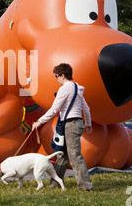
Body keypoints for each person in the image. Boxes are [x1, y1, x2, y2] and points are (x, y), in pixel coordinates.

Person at [31, 63, 94, 191]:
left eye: (56, 76)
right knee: (62, 154)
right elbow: (86, 108)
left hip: (70, 124)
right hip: (76, 123)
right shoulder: (77, 88)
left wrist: (39, 121)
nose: (56, 79)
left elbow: (55, 109)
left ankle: (86, 186)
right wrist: (88, 124)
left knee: (74, 155)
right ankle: (55, 182)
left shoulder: (65, 88)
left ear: (63, 75)